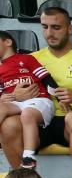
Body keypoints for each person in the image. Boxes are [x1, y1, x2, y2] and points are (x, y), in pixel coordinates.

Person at [1, 7, 72, 169]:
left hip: (70, 123)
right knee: (9, 124)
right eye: (45, 27)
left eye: (56, 27)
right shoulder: (30, 59)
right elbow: (6, 89)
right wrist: (13, 96)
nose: (49, 33)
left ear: (70, 28)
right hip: (37, 120)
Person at [0, 30, 58, 170]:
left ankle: (29, 156)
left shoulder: (26, 59)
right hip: (16, 103)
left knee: (27, 114)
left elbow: (46, 78)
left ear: (8, 42)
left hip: (39, 100)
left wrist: (60, 97)